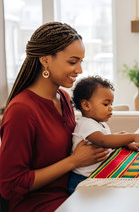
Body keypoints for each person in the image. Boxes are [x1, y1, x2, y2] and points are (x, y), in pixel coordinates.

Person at [0, 22, 110, 211]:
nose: (80, 70)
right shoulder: (22, 110)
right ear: (45, 60)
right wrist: (73, 161)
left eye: (81, 62)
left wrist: (111, 140)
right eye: (72, 62)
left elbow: (75, 141)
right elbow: (10, 186)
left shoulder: (64, 98)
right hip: (40, 204)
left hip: (74, 191)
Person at [68, 76, 139, 194]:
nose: (111, 108)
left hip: (98, 174)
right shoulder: (85, 124)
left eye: (111, 104)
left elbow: (108, 143)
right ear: (86, 105)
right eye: (105, 104)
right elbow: (104, 141)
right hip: (83, 180)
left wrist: (125, 143)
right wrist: (133, 136)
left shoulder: (99, 124)